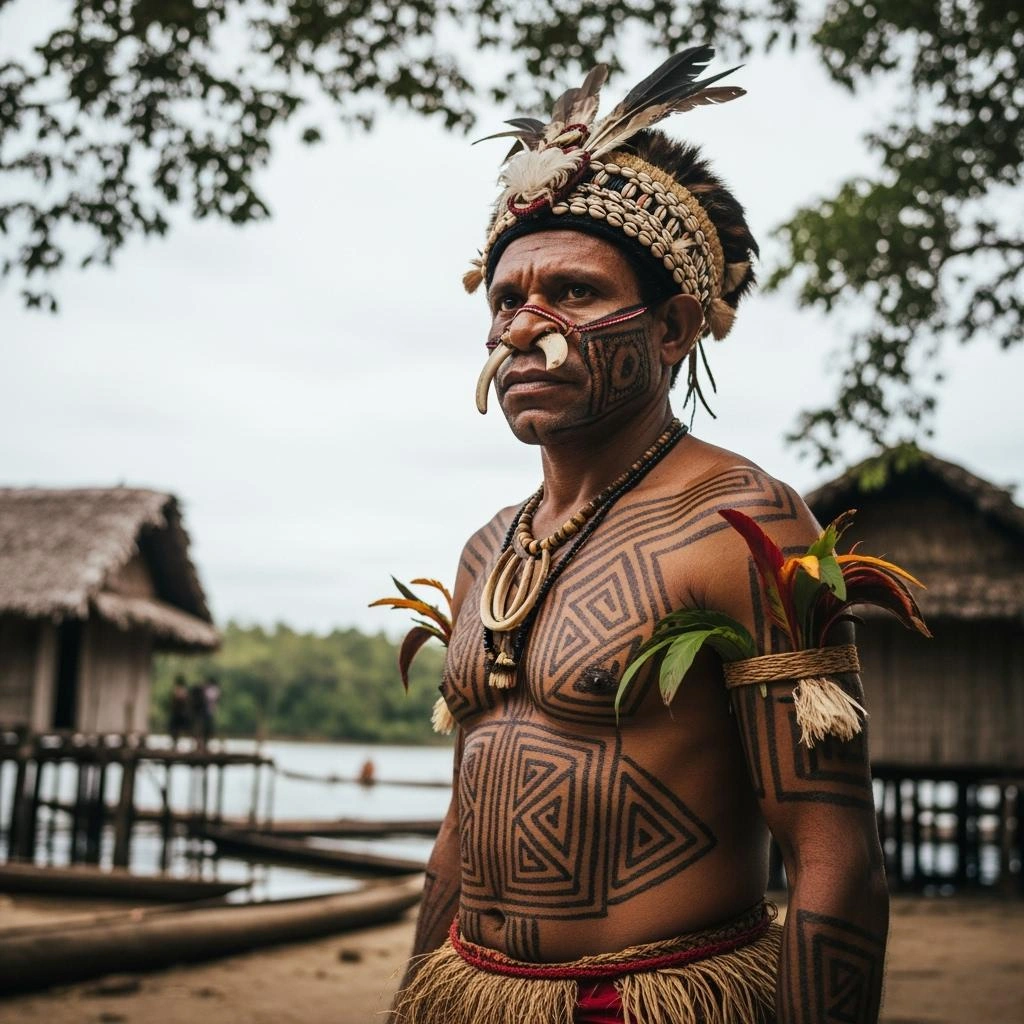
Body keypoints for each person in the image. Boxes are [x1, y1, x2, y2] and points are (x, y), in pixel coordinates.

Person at [391, 48, 888, 1024]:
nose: (521, 328)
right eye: (503, 299)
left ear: (673, 329)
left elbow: (832, 851)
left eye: (570, 292)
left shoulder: (746, 525)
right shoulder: (487, 547)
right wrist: (413, 999)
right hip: (470, 992)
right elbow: (459, 826)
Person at [168, 674, 191, 747]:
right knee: (175, 729)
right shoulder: (182, 690)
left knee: (176, 729)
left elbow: (178, 701)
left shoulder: (179, 690)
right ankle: (175, 743)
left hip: (180, 713)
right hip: (179, 713)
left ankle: (176, 743)